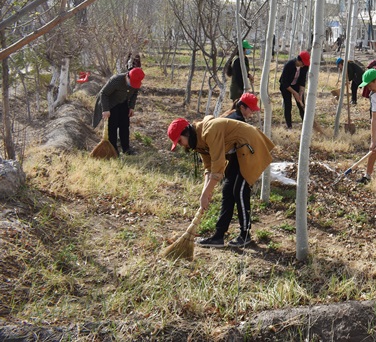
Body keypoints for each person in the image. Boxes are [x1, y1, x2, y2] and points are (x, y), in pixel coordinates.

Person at [167, 113, 275, 248]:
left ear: (186, 133)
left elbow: (218, 167)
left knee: (239, 190)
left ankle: (245, 234)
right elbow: (208, 167)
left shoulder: (210, 130)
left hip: (250, 144)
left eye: (180, 141)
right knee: (227, 190)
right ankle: (218, 236)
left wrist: (207, 193)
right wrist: (204, 192)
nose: (183, 146)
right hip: (237, 151)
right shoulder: (198, 140)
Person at [92, 67, 145, 156]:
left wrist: (131, 107)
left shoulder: (135, 82)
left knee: (124, 125)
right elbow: (104, 94)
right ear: (128, 76)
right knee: (112, 126)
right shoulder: (116, 80)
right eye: (132, 83)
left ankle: (126, 149)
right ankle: (113, 150)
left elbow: (135, 92)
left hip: (123, 102)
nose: (133, 85)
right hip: (110, 103)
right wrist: (106, 110)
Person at [279, 51, 310, 128]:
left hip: (296, 85)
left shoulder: (305, 66)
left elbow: (302, 80)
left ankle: (305, 125)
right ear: (299, 60)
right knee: (288, 105)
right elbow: (284, 82)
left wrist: (300, 93)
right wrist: (294, 93)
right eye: (302, 63)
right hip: (286, 86)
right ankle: (289, 126)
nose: (303, 65)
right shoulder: (289, 65)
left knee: (301, 104)